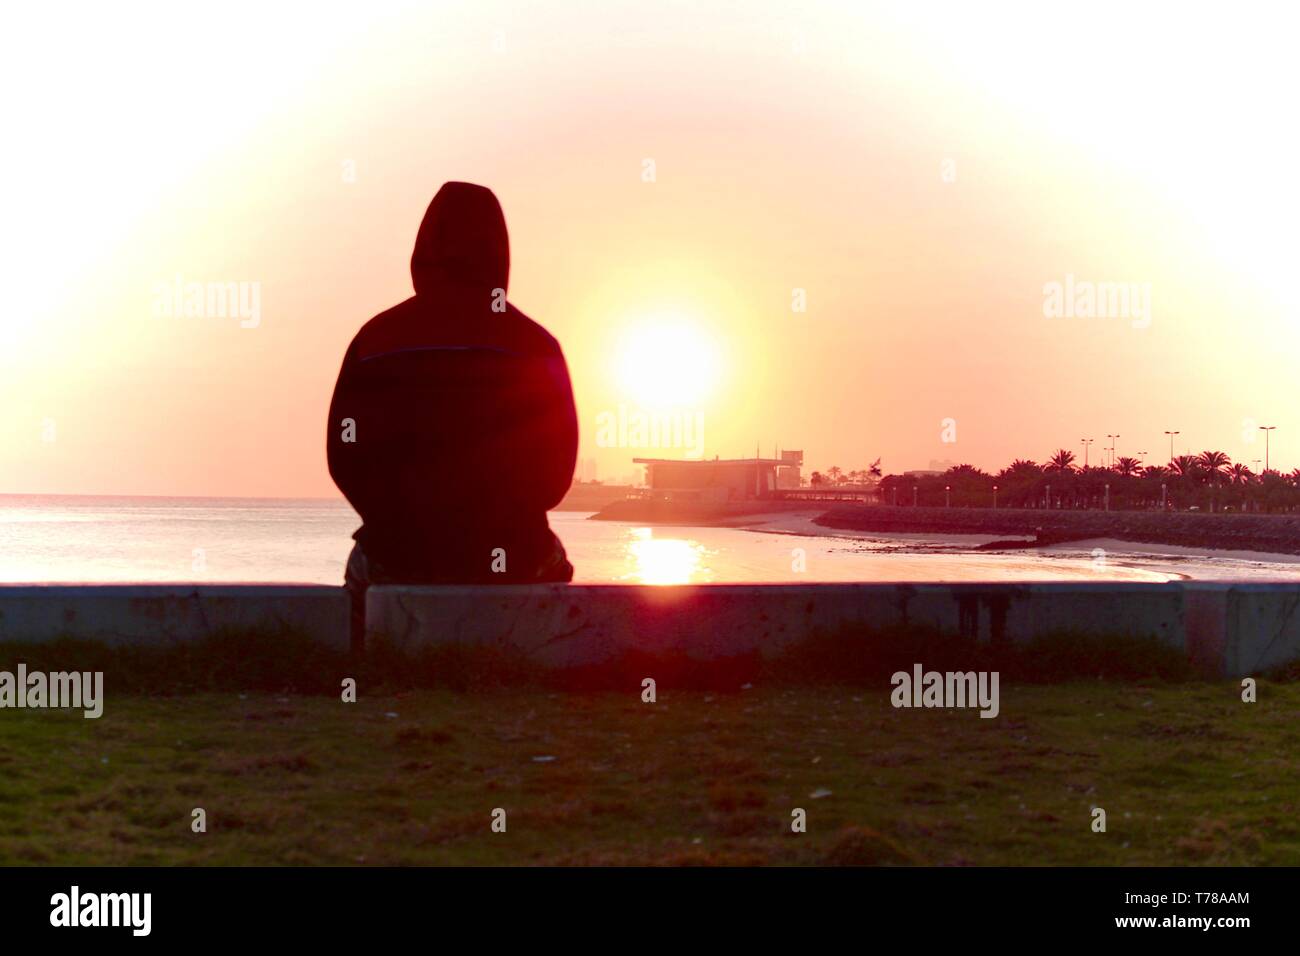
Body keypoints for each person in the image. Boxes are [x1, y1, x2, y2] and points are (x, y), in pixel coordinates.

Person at [327, 182, 577, 649]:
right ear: (499, 252)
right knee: (555, 563)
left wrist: (393, 521)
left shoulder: (375, 340)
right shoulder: (536, 346)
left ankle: (368, 664)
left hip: (398, 553)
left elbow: (344, 457)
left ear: (423, 250)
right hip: (513, 554)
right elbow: (556, 476)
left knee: (360, 580)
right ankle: (533, 663)